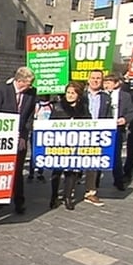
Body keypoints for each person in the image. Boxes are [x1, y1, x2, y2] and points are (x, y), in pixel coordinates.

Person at [0, 66, 36, 214]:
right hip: (3, 138)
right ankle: (0, 198)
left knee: (17, 171)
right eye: (28, 83)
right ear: (20, 81)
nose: (31, 86)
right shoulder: (2, 91)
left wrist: (23, 136)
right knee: (2, 169)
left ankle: (19, 202)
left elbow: (29, 117)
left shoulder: (31, 93)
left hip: (20, 138)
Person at [49, 82, 91, 210]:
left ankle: (67, 197)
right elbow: (50, 125)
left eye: (73, 93)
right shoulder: (58, 107)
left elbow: (89, 123)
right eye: (68, 93)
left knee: (71, 172)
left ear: (78, 95)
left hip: (75, 144)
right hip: (60, 144)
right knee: (57, 172)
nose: (70, 95)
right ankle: (54, 196)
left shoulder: (83, 108)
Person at [81, 70, 112, 206]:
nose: (95, 80)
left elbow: (108, 115)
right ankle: (68, 190)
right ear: (88, 80)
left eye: (98, 78)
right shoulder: (81, 95)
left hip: (97, 134)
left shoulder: (106, 97)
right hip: (80, 133)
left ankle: (90, 192)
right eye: (93, 78)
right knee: (74, 161)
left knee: (93, 164)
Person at [102, 73, 133, 190]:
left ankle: (118, 181)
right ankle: (94, 183)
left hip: (117, 130)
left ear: (116, 83)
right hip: (101, 128)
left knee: (116, 156)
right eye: (105, 83)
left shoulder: (125, 96)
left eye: (109, 83)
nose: (106, 85)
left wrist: (125, 119)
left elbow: (131, 112)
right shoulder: (101, 95)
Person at [28, 94, 54, 183]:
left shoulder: (51, 105)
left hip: (46, 133)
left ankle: (40, 173)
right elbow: (32, 117)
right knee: (33, 153)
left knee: (43, 153)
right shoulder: (36, 105)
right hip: (35, 132)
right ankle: (31, 173)